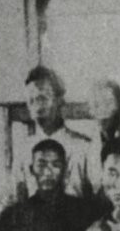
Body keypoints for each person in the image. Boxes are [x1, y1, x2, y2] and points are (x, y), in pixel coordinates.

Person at [14, 67, 92, 201]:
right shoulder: (23, 149)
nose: (37, 105)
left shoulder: (83, 147)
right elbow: (18, 199)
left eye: (42, 98)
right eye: (31, 100)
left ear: (59, 100)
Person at [83, 79, 120, 199]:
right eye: (96, 105)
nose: (102, 112)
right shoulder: (85, 147)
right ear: (90, 110)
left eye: (108, 103)